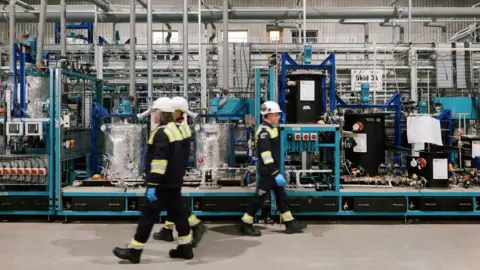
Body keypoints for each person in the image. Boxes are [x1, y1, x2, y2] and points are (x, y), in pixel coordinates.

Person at [113, 97, 194, 263]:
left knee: (148, 215)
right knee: (179, 215)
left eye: (155, 111)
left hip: (162, 184)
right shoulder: (174, 130)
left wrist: (152, 185)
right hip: (173, 182)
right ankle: (185, 248)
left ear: (160, 113)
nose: (153, 115)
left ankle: (134, 251)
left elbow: (159, 161)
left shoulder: (161, 133)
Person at [240, 101, 307, 236]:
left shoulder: (271, 128)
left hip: (272, 170)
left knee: (281, 196)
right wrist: (275, 173)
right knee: (259, 198)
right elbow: (266, 155)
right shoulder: (264, 132)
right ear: (268, 115)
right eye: (276, 115)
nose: (278, 117)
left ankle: (289, 223)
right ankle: (246, 223)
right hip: (268, 172)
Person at [153, 96, 207, 246]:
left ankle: (195, 225)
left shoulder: (178, 127)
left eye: (173, 111)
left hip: (173, 170)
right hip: (176, 169)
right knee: (173, 200)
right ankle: (168, 229)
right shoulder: (180, 125)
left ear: (179, 112)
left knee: (174, 201)